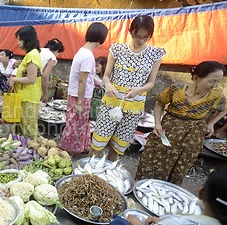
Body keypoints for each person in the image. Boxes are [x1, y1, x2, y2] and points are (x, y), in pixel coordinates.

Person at [136, 61, 226, 184]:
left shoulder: (216, 96)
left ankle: (168, 191)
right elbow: (159, 103)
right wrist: (157, 123)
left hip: (193, 134)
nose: (214, 85)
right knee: (153, 158)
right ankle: (142, 186)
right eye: (212, 81)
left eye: (218, 81)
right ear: (196, 78)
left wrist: (211, 123)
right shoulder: (176, 90)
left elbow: (224, 109)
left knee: (180, 164)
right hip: (169, 130)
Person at [91, 15, 166, 162]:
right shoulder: (117, 50)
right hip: (111, 103)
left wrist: (138, 90)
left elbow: (151, 83)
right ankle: (88, 170)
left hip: (134, 106)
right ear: (130, 31)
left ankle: (109, 174)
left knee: (118, 145)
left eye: (145, 37)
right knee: (98, 141)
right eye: (137, 36)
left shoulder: (155, 54)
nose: (140, 41)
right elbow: (106, 76)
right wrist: (108, 85)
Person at [60, 23, 109, 154]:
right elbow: (82, 81)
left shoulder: (82, 51)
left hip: (76, 94)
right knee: (76, 125)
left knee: (78, 123)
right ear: (101, 38)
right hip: (80, 96)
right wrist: (80, 103)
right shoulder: (88, 56)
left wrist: (96, 82)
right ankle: (70, 151)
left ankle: (79, 147)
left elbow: (85, 76)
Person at [8, 26, 42, 139]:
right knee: (23, 128)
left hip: (28, 98)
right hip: (25, 97)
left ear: (27, 40)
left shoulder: (32, 55)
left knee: (28, 130)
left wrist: (14, 79)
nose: (18, 43)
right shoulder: (31, 54)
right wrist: (21, 65)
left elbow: (31, 79)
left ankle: (32, 150)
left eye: (19, 40)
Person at [40, 38, 65, 103]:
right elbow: (45, 76)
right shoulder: (52, 57)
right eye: (58, 53)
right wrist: (45, 94)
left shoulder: (39, 50)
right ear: (57, 50)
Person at [90, 56, 108, 120]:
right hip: (93, 105)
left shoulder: (108, 80)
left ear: (103, 66)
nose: (95, 68)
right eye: (94, 66)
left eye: (97, 66)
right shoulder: (94, 77)